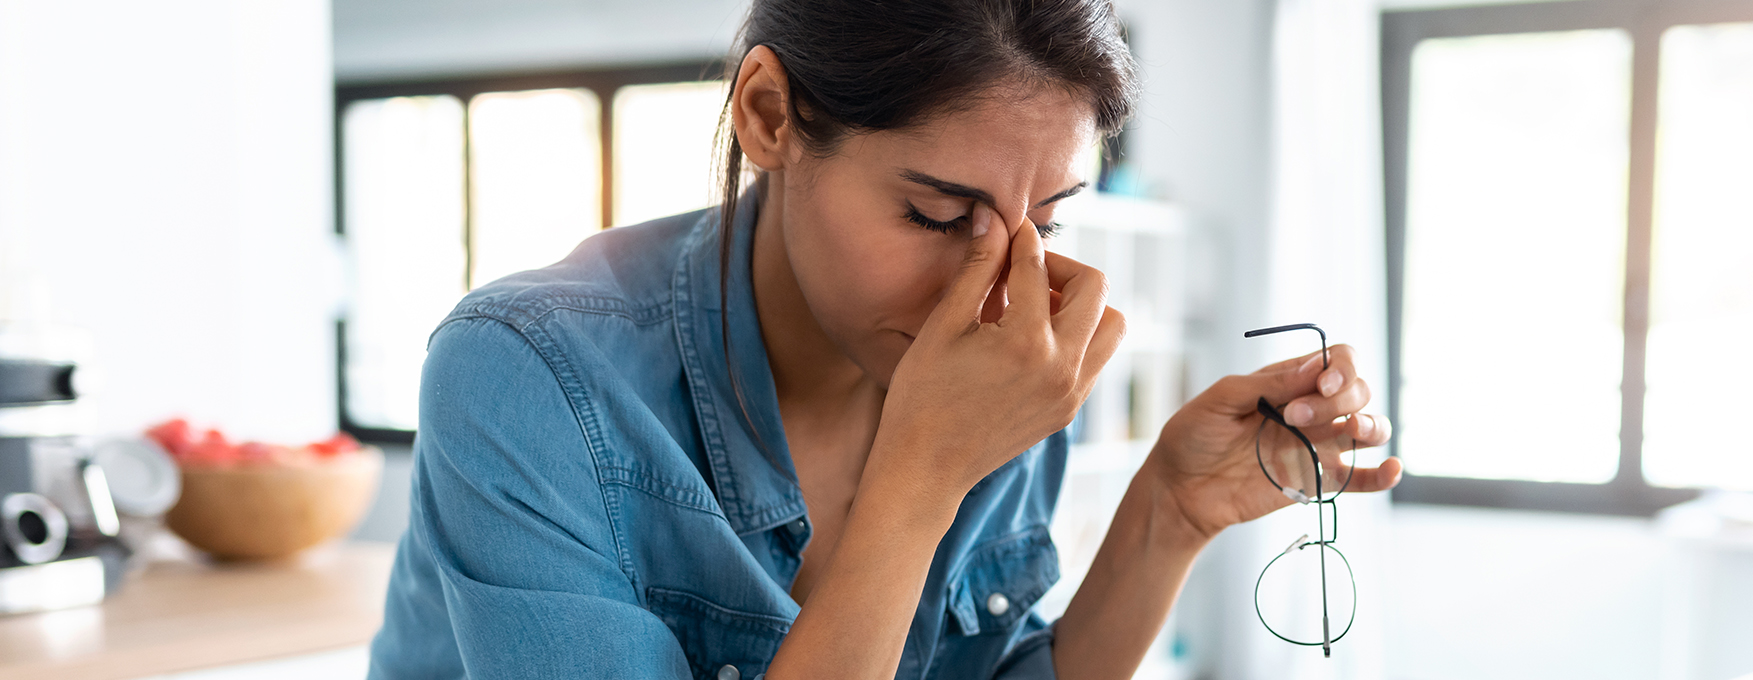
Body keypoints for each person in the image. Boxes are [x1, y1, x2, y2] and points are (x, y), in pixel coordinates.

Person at [367, 1, 1402, 678]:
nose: (997, 290)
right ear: (769, 115)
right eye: (938, 216)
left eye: (1047, 224)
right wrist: (921, 476)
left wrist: (1169, 510)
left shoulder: (1002, 357)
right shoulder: (527, 375)